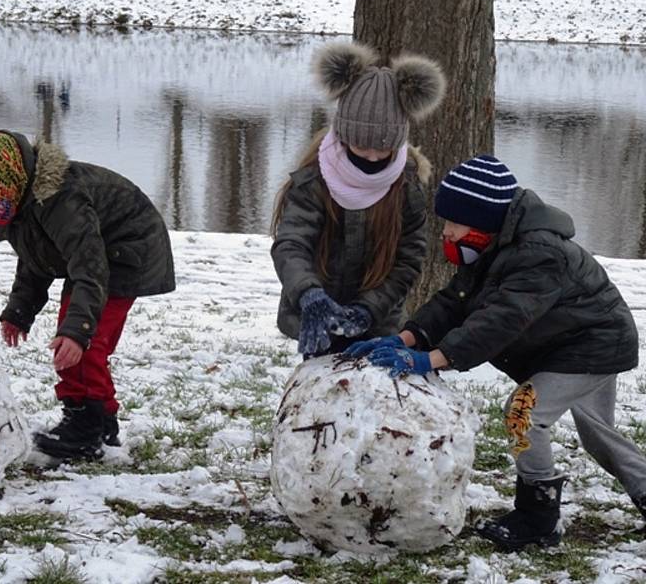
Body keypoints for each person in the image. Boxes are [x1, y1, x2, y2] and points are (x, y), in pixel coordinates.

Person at [345, 155, 646, 551]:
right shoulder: (496, 245)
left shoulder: (539, 252)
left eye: (454, 223)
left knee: (523, 414)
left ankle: (538, 518)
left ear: (481, 219)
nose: (448, 233)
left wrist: (431, 360)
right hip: (570, 343)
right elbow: (456, 302)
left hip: (590, 346)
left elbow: (500, 321)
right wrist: (404, 339)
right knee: (598, 436)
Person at [0, 130, 175, 461]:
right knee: (77, 341)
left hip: (126, 253)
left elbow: (90, 267)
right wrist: (19, 311)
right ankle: (85, 418)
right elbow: (36, 258)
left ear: (7, 180)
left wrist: (76, 332)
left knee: (83, 341)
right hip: (93, 258)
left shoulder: (61, 200)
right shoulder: (20, 200)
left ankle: (92, 429)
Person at [270, 41, 446, 357]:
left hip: (378, 321)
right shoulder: (314, 181)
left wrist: (369, 309)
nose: (373, 156)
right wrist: (309, 295)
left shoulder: (406, 188)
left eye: (383, 148)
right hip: (316, 315)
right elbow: (291, 245)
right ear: (343, 136)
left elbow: (409, 259)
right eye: (361, 146)